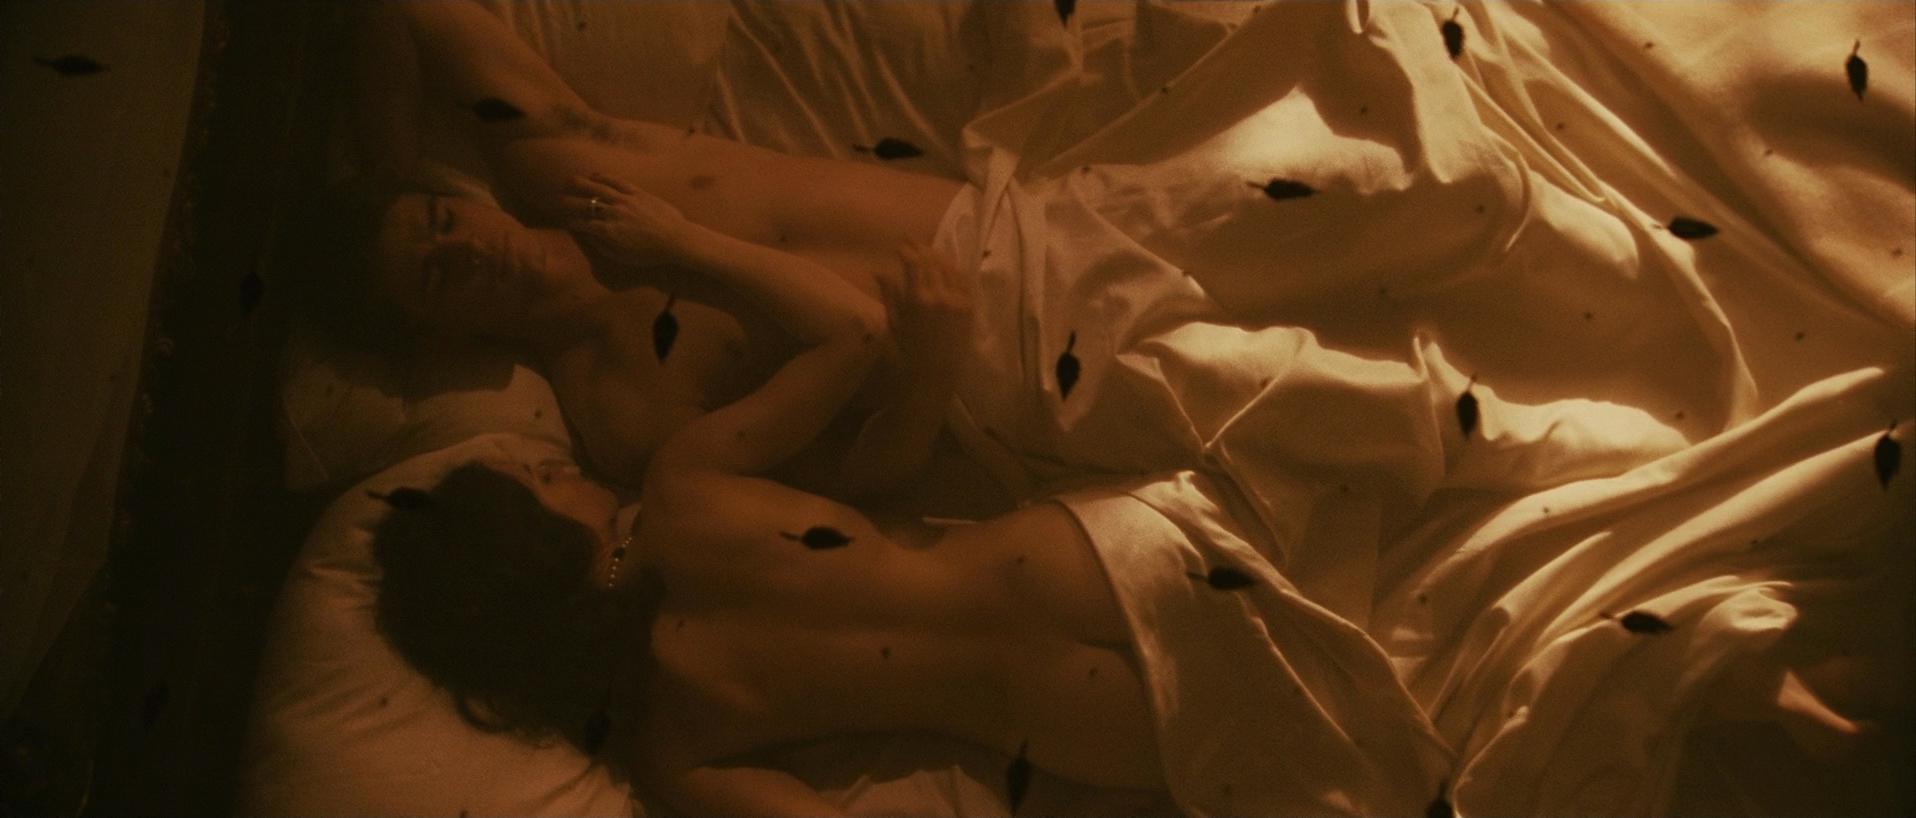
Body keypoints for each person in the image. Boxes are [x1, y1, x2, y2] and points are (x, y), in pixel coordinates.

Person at [370, 243, 1172, 817]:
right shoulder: (682, 484)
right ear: (532, 544)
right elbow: (855, 333)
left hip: (1077, 721)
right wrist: (682, 239)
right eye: (544, 482)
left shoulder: (667, 747)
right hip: (1074, 565)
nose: (563, 470)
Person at [325, 0, 992, 509]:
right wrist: (932, 378)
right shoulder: (620, 412)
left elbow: (405, 13)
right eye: (439, 272)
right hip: (988, 375)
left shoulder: (568, 170)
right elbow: (858, 477)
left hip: (1001, 222)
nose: (468, 246)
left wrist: (388, 180)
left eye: (445, 219)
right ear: (444, 334)